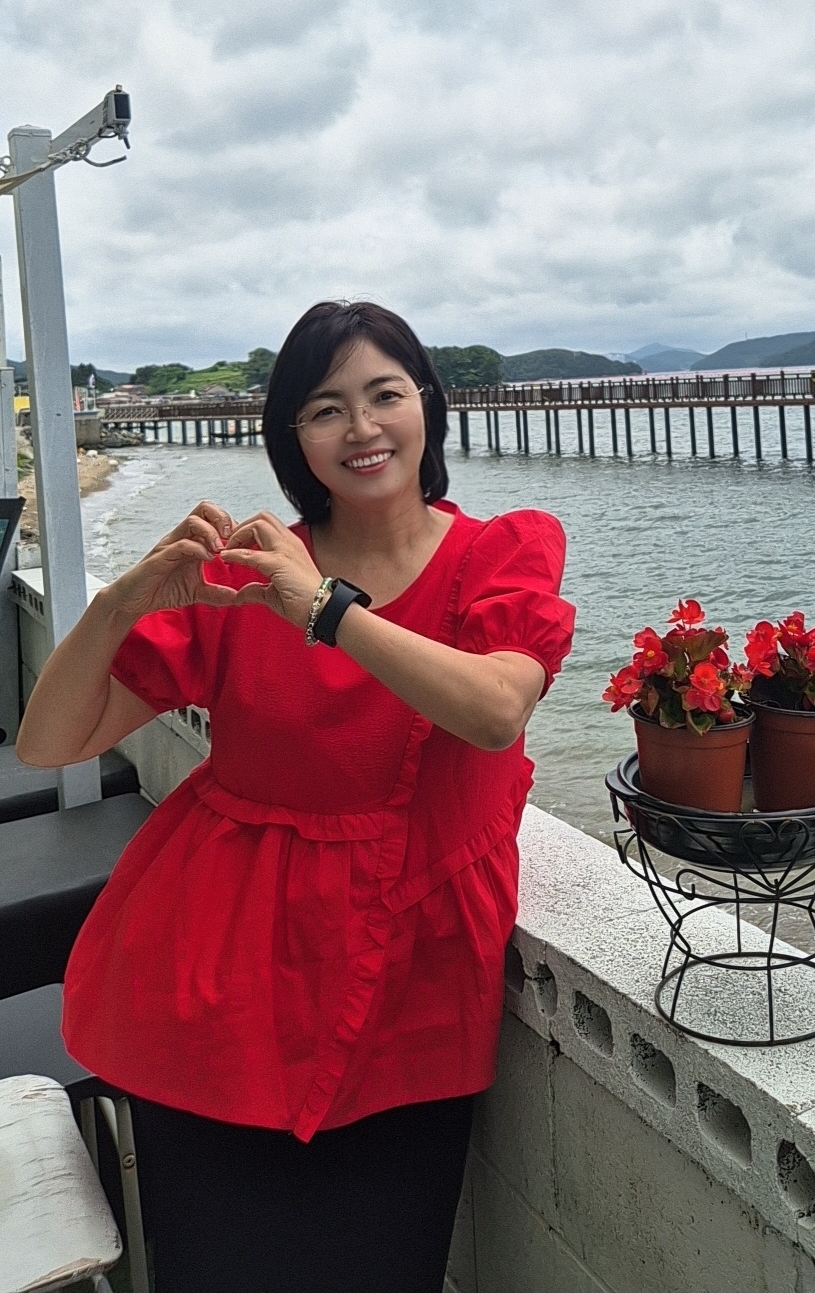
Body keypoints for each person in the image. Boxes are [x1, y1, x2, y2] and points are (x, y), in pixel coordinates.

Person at [17, 300, 576, 1293]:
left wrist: (320, 607)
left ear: (427, 405)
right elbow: (49, 741)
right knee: (216, 1265)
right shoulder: (248, 577)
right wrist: (120, 603)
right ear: (293, 437)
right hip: (216, 985)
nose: (362, 427)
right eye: (325, 408)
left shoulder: (498, 553)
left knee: (385, 1262)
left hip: (413, 984)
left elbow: (495, 709)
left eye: (384, 394)